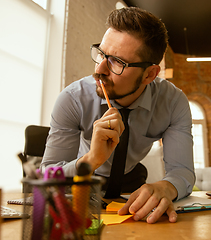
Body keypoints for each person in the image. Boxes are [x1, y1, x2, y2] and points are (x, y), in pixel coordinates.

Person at [41, 7, 195, 224]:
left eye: (117, 62)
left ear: (150, 74)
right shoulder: (73, 99)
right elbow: (47, 175)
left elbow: (182, 171)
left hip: (131, 186)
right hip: (82, 185)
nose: (100, 69)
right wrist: (91, 159)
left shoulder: (173, 103)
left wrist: (167, 187)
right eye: (101, 54)